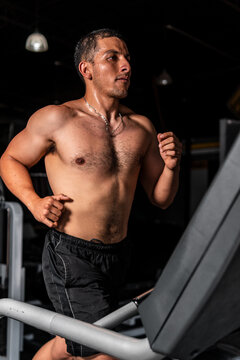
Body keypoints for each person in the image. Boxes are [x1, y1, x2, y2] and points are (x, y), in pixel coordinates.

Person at [0, 28, 182, 360]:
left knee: (72, 343)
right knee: (104, 350)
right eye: (112, 58)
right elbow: (9, 159)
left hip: (117, 255)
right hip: (71, 255)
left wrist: (171, 166)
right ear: (86, 69)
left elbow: (161, 199)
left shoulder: (141, 127)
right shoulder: (57, 118)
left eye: (127, 58)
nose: (125, 65)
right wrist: (34, 202)